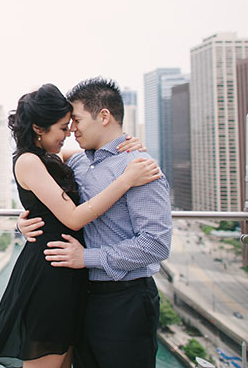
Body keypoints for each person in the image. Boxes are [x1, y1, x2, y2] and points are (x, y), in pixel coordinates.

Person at [0, 83, 161, 368]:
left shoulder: (59, 158)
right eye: (64, 128)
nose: (70, 134)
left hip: (77, 277)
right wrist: (126, 179)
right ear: (39, 129)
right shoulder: (29, 160)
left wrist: (129, 144)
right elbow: (73, 217)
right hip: (51, 273)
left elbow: (89, 161)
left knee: (65, 358)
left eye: (72, 124)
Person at [18, 77, 173, 368]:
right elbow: (35, 172)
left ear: (104, 116)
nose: (72, 129)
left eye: (75, 120)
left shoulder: (138, 167)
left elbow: (156, 245)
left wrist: (85, 257)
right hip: (81, 297)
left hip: (125, 300)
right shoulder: (77, 163)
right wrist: (24, 220)